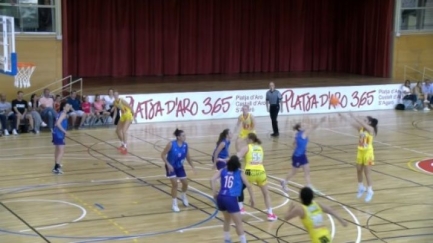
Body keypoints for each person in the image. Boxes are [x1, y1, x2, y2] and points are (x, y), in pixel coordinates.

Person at [210, 155, 255, 243]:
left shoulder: (223, 170)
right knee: (239, 223)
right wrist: (252, 198)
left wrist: (214, 193)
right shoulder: (239, 172)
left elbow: (212, 180)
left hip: (221, 197)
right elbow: (249, 186)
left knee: (227, 219)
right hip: (230, 198)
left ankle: (227, 239)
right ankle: (243, 241)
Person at [237, 133, 277, 221]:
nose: (246, 140)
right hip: (261, 172)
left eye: (247, 139)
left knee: (239, 186)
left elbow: (237, 157)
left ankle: (240, 208)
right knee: (266, 193)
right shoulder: (260, 148)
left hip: (249, 172)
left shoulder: (247, 147)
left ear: (251, 140)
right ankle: (270, 214)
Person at [339, 112, 378, 202]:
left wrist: (353, 116)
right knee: (358, 170)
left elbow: (360, 122)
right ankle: (361, 187)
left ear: (368, 122)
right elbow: (350, 122)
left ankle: (370, 191)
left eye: (365, 120)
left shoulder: (370, 129)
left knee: (367, 173)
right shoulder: (361, 129)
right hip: (360, 152)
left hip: (368, 153)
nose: (363, 122)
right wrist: (342, 115)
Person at [281, 117, 326, 192]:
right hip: (297, 156)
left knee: (307, 170)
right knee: (293, 172)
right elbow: (314, 127)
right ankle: (284, 182)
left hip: (302, 155)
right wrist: (321, 121)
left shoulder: (298, 134)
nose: (305, 125)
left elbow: (293, 145)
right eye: (303, 125)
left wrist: (295, 141)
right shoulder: (304, 133)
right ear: (300, 128)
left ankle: (309, 185)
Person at [161, 129, 196, 212]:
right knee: (175, 185)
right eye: (183, 135)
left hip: (180, 166)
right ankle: (174, 204)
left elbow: (188, 157)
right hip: (171, 166)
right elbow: (162, 155)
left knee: (185, 183)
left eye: (185, 135)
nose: (185, 137)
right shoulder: (171, 144)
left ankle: (183, 195)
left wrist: (192, 166)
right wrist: (168, 165)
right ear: (178, 137)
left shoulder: (185, 145)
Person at [52, 102, 71, 175]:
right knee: (61, 151)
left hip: (56, 133)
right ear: (64, 107)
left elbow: (55, 124)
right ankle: (56, 168)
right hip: (59, 134)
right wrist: (65, 132)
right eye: (67, 106)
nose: (69, 107)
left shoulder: (60, 113)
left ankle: (57, 164)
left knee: (57, 150)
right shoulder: (63, 114)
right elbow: (57, 123)